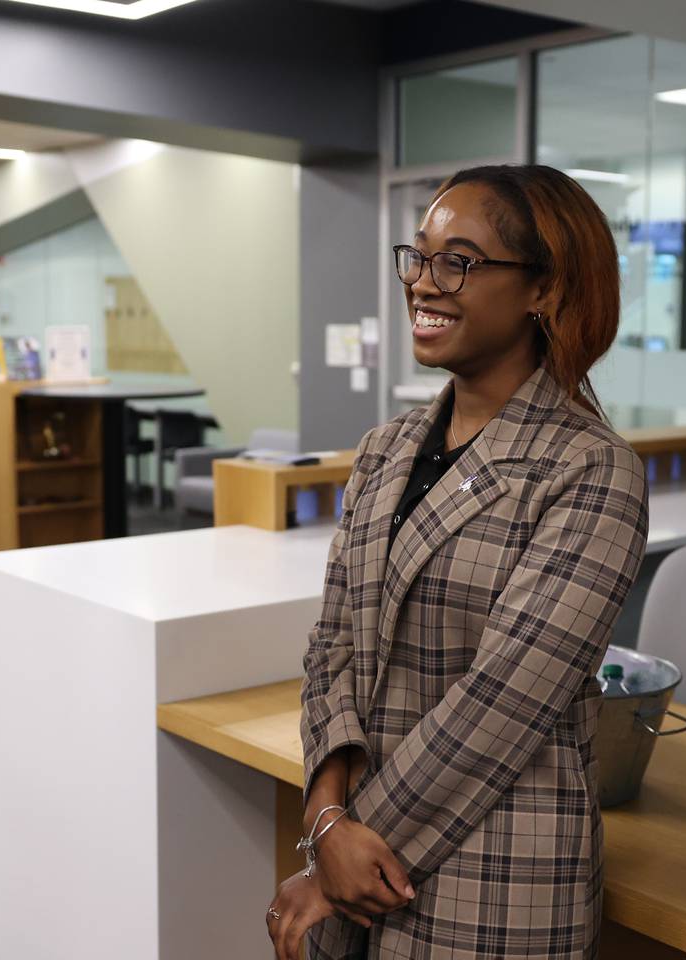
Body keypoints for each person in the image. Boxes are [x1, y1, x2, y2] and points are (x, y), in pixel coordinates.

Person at [267, 165, 649, 960]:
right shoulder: (385, 450)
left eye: (461, 261)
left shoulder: (591, 469)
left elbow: (502, 705)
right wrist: (326, 820)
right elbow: (332, 644)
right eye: (421, 256)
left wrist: (344, 851)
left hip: (495, 876)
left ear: (543, 289)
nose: (425, 284)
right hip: (358, 854)